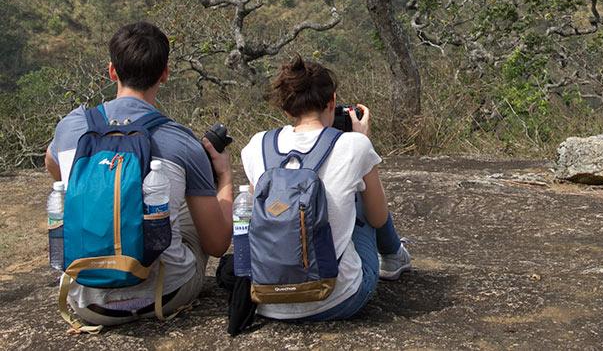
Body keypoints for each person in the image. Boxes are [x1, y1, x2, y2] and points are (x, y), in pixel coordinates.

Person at [45, 22, 233, 326]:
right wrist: (223, 178)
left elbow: (53, 167)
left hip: (88, 303)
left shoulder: (72, 126)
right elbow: (216, 244)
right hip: (166, 295)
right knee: (188, 204)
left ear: (112, 71)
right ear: (165, 73)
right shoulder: (181, 141)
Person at [240, 55, 411, 322]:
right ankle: (393, 257)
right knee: (359, 200)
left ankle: (394, 256)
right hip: (336, 299)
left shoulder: (256, 145)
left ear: (286, 110)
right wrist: (362, 141)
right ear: (332, 102)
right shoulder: (354, 145)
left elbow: (254, 218)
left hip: (266, 300)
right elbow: (377, 218)